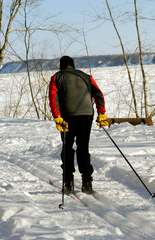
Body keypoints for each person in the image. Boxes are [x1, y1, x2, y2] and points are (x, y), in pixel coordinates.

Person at [48, 56, 109, 195]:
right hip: (86, 115)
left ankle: (68, 183)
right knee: (83, 147)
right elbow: (98, 94)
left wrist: (57, 116)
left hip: (67, 117)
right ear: (73, 65)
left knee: (67, 148)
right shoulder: (86, 76)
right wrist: (102, 113)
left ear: (61, 66)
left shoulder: (56, 77)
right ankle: (87, 183)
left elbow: (53, 98)